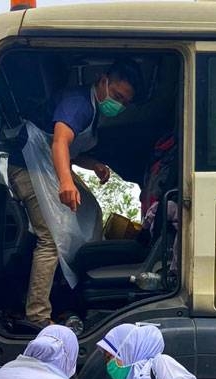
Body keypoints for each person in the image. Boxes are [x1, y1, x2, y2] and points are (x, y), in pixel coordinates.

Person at [8, 58, 143, 326]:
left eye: (124, 102)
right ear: (102, 80)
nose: (118, 104)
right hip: (26, 168)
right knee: (50, 236)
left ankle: (75, 288)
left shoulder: (94, 111)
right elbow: (59, 142)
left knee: (91, 210)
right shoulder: (78, 103)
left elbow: (68, 149)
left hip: (45, 166)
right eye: (117, 96)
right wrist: (66, 182)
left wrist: (93, 165)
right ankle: (37, 315)